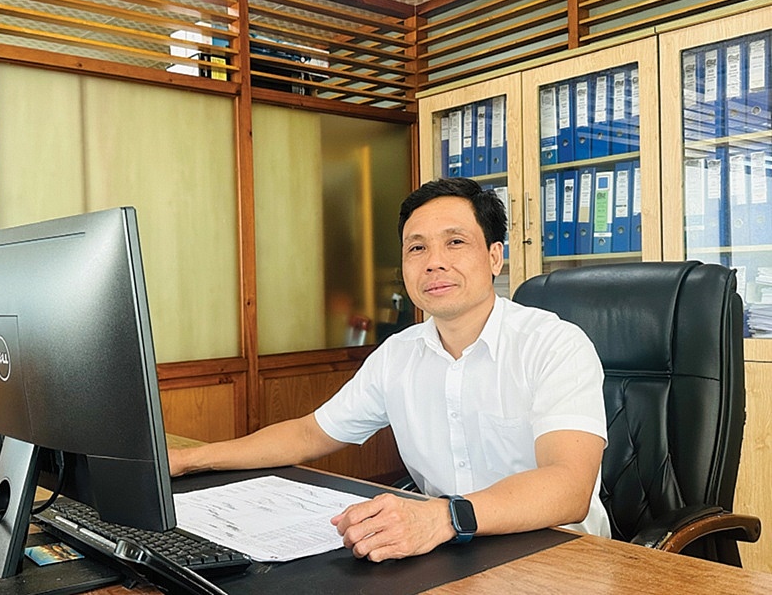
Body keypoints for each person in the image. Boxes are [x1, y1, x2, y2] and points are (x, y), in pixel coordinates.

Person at [169, 177, 610, 562]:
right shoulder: (398, 355)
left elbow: (569, 487)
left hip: (561, 554)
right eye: (417, 247)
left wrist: (442, 516)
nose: (434, 261)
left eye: (455, 242)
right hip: (450, 551)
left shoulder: (554, 345)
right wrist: (190, 460)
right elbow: (308, 434)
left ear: (495, 257)